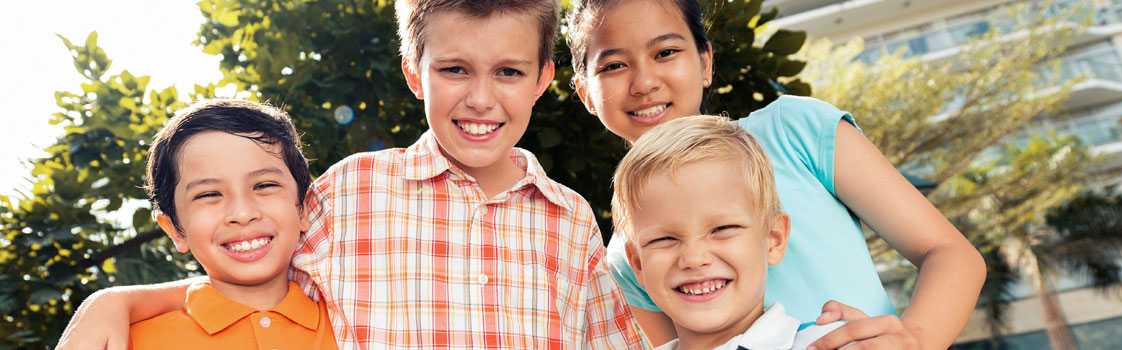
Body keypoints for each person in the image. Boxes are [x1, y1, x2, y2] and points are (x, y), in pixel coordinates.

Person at [57, 1, 644, 348]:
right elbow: (249, 265)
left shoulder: (570, 218)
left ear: (543, 78)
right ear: (416, 75)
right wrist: (117, 301)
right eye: (455, 70)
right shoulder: (350, 190)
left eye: (509, 73)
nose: (482, 99)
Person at [565, 0, 987, 348]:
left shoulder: (794, 131)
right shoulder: (627, 255)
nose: (644, 82)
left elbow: (949, 253)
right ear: (584, 92)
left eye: (666, 52)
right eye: (614, 66)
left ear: (705, 61)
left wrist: (913, 340)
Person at [613, 115, 845, 350]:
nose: (694, 259)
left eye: (722, 229)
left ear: (774, 239)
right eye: (664, 239)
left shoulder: (836, 344)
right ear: (638, 264)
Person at [128, 99, 335, 349]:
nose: (243, 212)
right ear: (175, 230)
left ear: (302, 208)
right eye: (209, 195)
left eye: (264, 185)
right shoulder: (130, 341)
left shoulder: (350, 325)